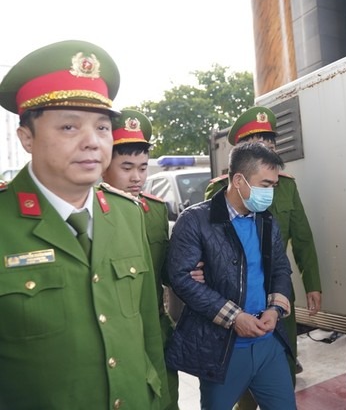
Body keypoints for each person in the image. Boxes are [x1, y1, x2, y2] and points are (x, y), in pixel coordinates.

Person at [0, 40, 169, 409]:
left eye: (103, 127)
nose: (92, 142)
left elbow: (148, 332)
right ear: (26, 137)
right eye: (69, 127)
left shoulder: (127, 214)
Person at [166, 142, 296, 410]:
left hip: (268, 344)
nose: (270, 193)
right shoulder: (195, 221)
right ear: (238, 180)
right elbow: (181, 278)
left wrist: (275, 310)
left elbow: (280, 268)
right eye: (265, 185)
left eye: (274, 186)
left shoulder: (266, 220)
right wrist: (235, 317)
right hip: (222, 349)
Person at [205, 107, 322, 386]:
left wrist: (313, 284)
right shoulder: (219, 189)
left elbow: (302, 237)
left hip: (278, 291)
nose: (269, 150)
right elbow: (208, 243)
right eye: (260, 145)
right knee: (240, 372)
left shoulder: (286, 187)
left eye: (271, 144)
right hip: (236, 293)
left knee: (283, 360)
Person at [102, 108, 179, 409]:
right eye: (126, 167)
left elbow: (164, 272)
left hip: (157, 328)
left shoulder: (155, 210)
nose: (137, 177)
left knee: (168, 399)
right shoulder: (92, 212)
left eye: (143, 168)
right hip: (118, 333)